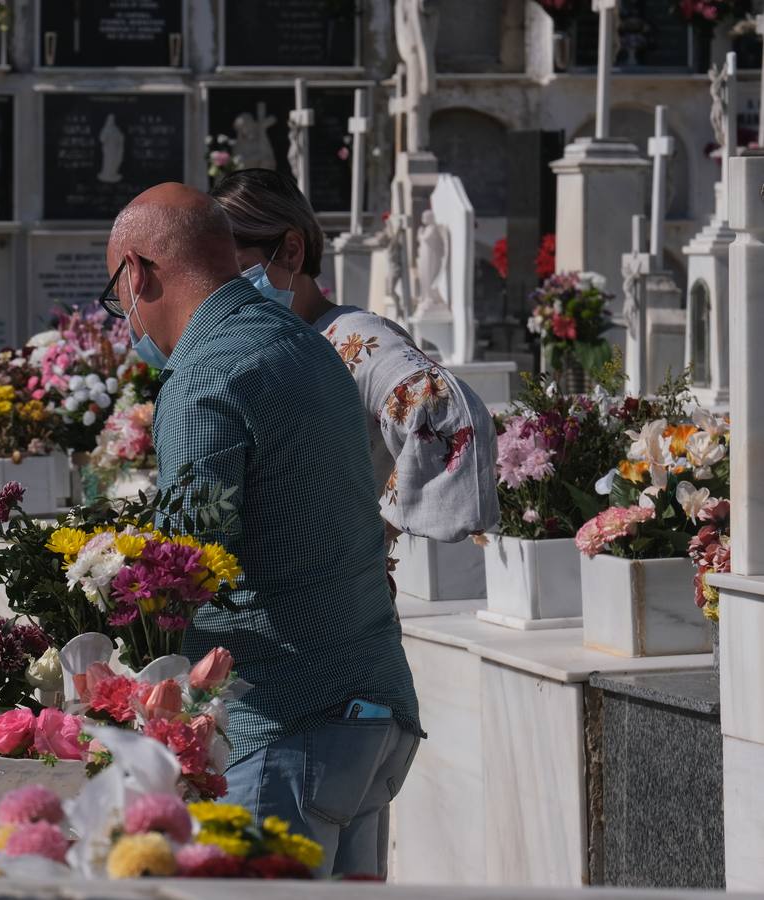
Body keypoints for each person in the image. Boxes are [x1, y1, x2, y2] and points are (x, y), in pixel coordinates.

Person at [102, 183, 420, 879]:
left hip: (284, 721)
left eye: (116, 296)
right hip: (372, 706)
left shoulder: (205, 374)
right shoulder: (305, 345)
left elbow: (184, 567)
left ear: (138, 273)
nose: (127, 319)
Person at [211, 168, 499, 551]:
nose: (224, 289)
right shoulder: (269, 340)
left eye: (235, 269)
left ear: (292, 251)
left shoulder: (350, 337)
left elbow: (442, 409)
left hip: (342, 598)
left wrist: (379, 531)